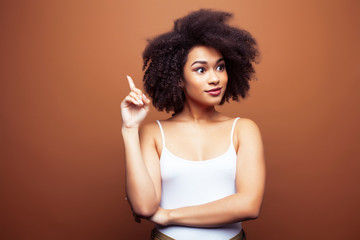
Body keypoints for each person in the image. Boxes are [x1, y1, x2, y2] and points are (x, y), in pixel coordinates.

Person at [121, 9, 265, 240]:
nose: (215, 78)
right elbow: (144, 207)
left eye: (220, 67)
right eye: (201, 69)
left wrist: (169, 215)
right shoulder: (154, 133)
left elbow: (249, 205)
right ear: (179, 78)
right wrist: (129, 130)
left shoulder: (243, 129)